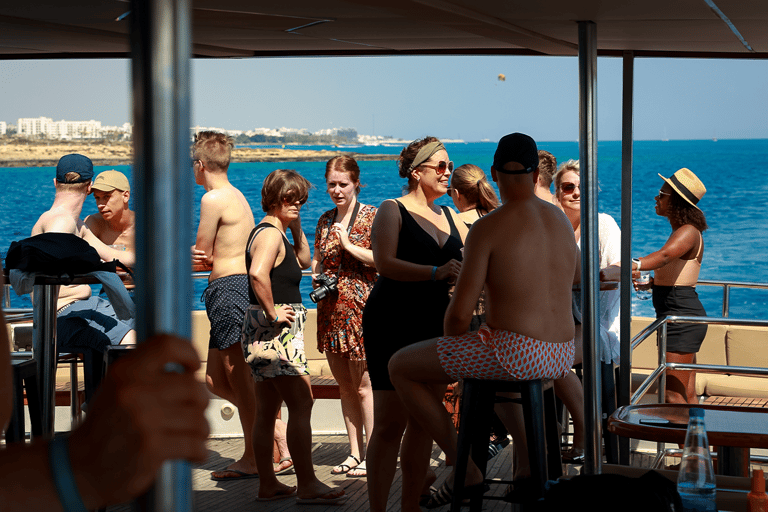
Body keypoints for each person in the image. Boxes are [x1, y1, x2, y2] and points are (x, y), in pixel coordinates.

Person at [388, 132, 579, 508]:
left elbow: (458, 315)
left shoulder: (489, 227)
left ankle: (465, 464)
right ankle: (527, 466)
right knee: (494, 371)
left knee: (401, 366)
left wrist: (455, 356)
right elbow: (573, 277)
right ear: (537, 176)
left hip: (516, 354)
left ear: (494, 173)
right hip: (559, 357)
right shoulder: (558, 219)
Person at [0, 263, 209, 511]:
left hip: (85, 316)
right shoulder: (60, 231)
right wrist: (85, 467)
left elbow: (86, 289)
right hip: (67, 317)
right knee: (132, 340)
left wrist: (84, 467)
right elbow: (79, 290)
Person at [362, 137, 468, 512]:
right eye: (439, 166)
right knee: (390, 424)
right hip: (392, 319)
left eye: (449, 165)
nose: (447, 172)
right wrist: (436, 271)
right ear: (415, 171)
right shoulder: (393, 210)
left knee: (424, 422)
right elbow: (384, 263)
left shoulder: (450, 215)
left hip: (434, 322)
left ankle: (409, 507)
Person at [190, 131, 290, 480]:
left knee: (240, 378)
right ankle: (273, 434)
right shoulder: (236, 196)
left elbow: (202, 256)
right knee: (216, 379)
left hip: (229, 289)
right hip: (230, 290)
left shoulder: (213, 198)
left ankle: (254, 456)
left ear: (200, 165)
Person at [243, 169, 346, 503]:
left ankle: (267, 484)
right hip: (276, 332)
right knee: (302, 402)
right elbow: (257, 274)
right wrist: (274, 312)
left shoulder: (275, 232)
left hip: (262, 332)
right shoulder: (270, 235)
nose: (297, 203)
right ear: (274, 198)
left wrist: (295, 224)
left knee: (267, 409)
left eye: (300, 198)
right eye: (289, 198)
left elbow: (303, 259)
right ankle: (309, 484)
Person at [604, 168, 708, 405]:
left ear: (677, 203)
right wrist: (654, 283)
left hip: (681, 318)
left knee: (674, 396)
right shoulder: (682, 231)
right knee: (686, 395)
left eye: (662, 195)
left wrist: (633, 264)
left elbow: (663, 256)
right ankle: (693, 442)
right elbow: (676, 272)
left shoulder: (688, 232)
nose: (656, 198)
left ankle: (683, 442)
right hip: (677, 314)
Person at [551, 158, 621, 462]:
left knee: (552, 361)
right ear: (557, 191)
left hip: (596, 322)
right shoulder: (553, 224)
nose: (576, 193)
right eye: (569, 187)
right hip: (558, 320)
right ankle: (549, 449)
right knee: (545, 357)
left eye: (583, 187)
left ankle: (584, 431)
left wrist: (585, 278)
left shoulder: (602, 224)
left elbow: (618, 268)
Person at [311, 155, 377, 478]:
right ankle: (355, 452)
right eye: (332, 184)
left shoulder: (373, 217)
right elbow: (317, 261)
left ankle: (374, 455)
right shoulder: (324, 221)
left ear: (356, 183)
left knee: (365, 386)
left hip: (362, 313)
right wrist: (317, 274)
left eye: (343, 184)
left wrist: (348, 245)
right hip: (331, 313)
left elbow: (381, 260)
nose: (337, 190)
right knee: (345, 387)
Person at [31, 154, 136, 352]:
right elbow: (50, 281)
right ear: (89, 188)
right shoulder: (60, 223)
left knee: (140, 327)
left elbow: (117, 257)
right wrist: (83, 287)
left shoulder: (77, 225)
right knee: (134, 343)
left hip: (84, 307)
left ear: (55, 183)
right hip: (64, 314)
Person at [84, 170, 135, 255]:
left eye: (107, 197)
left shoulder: (146, 226)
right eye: (97, 198)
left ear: (125, 196)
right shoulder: (94, 223)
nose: (100, 205)